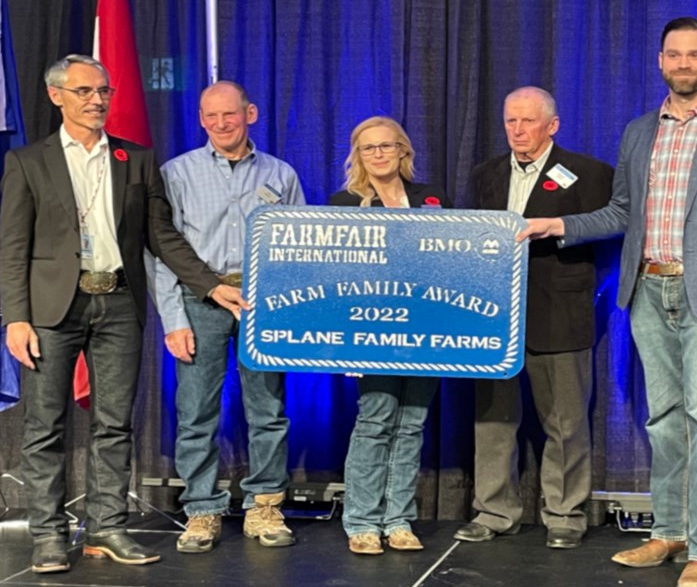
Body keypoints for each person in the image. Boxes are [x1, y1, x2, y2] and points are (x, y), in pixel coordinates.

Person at [520, 18, 697, 586]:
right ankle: (669, 532)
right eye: (673, 54)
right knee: (663, 421)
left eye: (695, 54)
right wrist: (557, 224)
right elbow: (622, 213)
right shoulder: (640, 131)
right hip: (648, 290)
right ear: (660, 60)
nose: (683, 63)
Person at [0, 55, 246, 573]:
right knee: (45, 424)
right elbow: (12, 245)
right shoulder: (28, 162)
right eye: (85, 91)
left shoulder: (134, 159)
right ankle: (48, 534)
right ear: (57, 96)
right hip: (50, 309)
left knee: (114, 424)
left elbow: (162, 237)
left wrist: (207, 285)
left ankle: (107, 527)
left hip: (118, 304)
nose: (97, 100)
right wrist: (14, 318)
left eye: (104, 91)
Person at [454, 87, 613, 550]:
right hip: (494, 314)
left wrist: (594, 293)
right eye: (510, 122)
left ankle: (564, 512)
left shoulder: (589, 174)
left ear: (553, 125)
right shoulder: (485, 175)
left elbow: (611, 238)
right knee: (493, 419)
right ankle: (494, 510)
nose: (518, 130)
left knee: (565, 420)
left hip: (560, 309)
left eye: (527, 122)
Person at [150, 81, 305, 553]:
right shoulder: (176, 174)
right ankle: (201, 510)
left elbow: (300, 247)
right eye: (211, 116)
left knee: (268, 410)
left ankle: (265, 505)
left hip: (263, 302)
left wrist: (291, 311)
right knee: (195, 411)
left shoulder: (281, 174)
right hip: (200, 301)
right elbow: (161, 252)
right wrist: (173, 318)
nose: (221, 124)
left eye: (230, 115)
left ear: (250, 114)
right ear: (201, 120)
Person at [329, 116, 451, 555]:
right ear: (358, 156)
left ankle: (398, 520)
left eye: (386, 146)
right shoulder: (344, 204)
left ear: (403, 150)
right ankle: (361, 520)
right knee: (376, 419)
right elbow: (335, 277)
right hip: (371, 333)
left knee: (412, 423)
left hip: (425, 332)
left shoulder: (433, 200)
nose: (378, 154)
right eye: (368, 148)